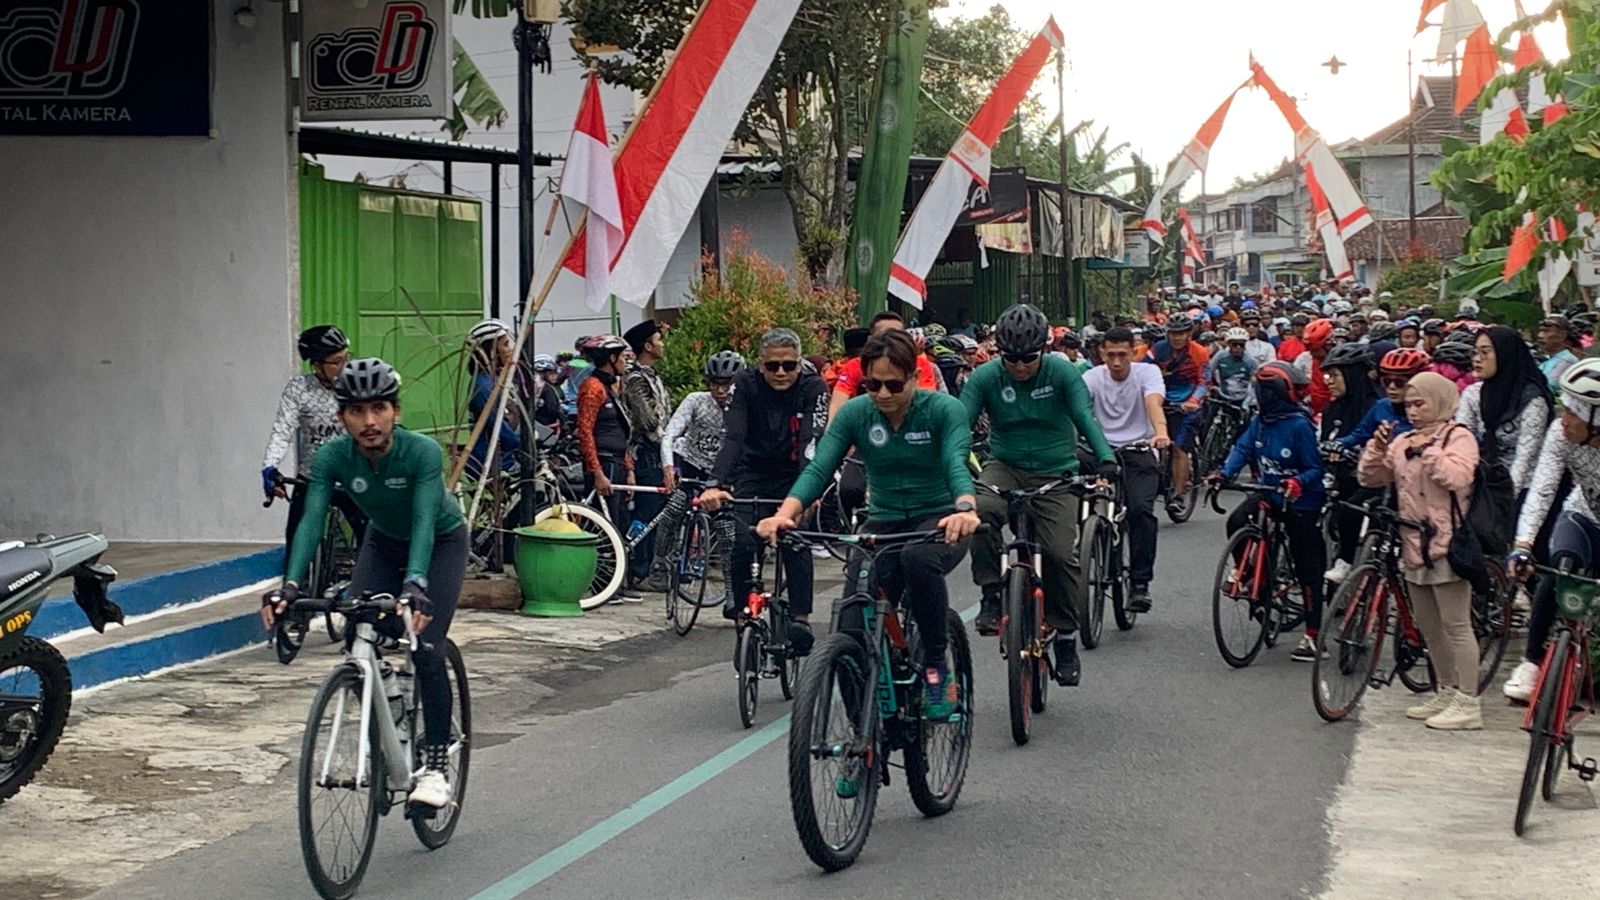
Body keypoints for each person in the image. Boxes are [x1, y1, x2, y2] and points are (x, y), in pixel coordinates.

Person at [262, 358, 468, 807]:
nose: (369, 421)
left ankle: (434, 767)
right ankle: (389, 695)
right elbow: (313, 517)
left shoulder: (421, 453)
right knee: (360, 628)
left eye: (378, 408)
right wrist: (290, 585)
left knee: (427, 645)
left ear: (395, 411)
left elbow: (423, 519)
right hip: (382, 542)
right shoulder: (335, 456)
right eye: (356, 411)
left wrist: (415, 583)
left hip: (439, 542)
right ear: (342, 418)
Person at [757, 329, 979, 721]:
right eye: (872, 384)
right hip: (885, 520)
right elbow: (821, 466)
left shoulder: (944, 410)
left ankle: (935, 665)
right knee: (852, 618)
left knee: (916, 559)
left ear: (914, 377)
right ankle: (862, 746)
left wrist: (964, 508)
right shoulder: (858, 414)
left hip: (940, 519)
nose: (882, 394)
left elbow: (955, 462)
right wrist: (785, 513)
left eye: (894, 384)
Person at [962, 304, 1117, 685]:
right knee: (977, 516)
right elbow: (958, 424)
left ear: (1044, 350)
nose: (1019, 367)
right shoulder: (984, 377)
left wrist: (1106, 458)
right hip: (1005, 466)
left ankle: (1065, 637)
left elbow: (1085, 417)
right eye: (1011, 358)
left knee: (1063, 553)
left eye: (1028, 358)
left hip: (1055, 471)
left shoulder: (1063, 371)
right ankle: (991, 594)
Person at [1358, 372, 1483, 729]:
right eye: (1408, 405)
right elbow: (1371, 478)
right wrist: (1378, 448)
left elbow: (1458, 479)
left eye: (1419, 403)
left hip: (1447, 545)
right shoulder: (1403, 441)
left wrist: (1429, 451)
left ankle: (1468, 700)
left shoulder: (1459, 437)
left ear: (1441, 401)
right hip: (1411, 542)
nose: (1412, 411)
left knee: (1456, 624)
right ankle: (1446, 689)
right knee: (1429, 625)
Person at [701, 329, 829, 643]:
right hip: (752, 472)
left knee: (794, 540)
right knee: (743, 541)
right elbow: (732, 439)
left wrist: (808, 493)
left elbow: (811, 443)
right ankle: (743, 617)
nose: (781, 372)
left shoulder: (813, 388)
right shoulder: (744, 385)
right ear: (760, 364)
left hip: (795, 475)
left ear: (799, 364)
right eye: (773, 366)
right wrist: (713, 484)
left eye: (789, 365)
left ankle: (800, 618)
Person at [1207, 362, 1327, 662]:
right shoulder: (1260, 421)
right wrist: (1223, 474)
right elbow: (1242, 449)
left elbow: (1315, 468)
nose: (1258, 396)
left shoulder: (1300, 426)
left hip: (1301, 502)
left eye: (1262, 391)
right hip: (1269, 495)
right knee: (1236, 520)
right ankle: (1250, 578)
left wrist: (1297, 482)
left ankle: (1312, 636)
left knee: (1307, 567)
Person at [1505, 359, 1600, 701]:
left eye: (1573, 411)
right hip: (1583, 514)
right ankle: (1531, 662)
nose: (1563, 418)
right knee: (1558, 567)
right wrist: (1523, 543)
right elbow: (1542, 490)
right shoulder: (1560, 434)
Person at [1082, 326, 1170, 614]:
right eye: (1110, 355)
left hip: (1139, 451)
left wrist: (1160, 432)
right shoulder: (1090, 378)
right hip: (1101, 452)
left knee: (1140, 511)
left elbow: (1153, 402)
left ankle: (1140, 583)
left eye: (1123, 355)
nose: (1117, 362)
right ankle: (1082, 548)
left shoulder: (1148, 373)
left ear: (1134, 352)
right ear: (1101, 354)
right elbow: (1078, 412)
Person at [262, 325, 366, 551]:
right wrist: (270, 467)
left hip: (353, 475)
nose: (345, 365)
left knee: (373, 542)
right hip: (312, 477)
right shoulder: (299, 389)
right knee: (296, 543)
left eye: (346, 358)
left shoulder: (358, 383)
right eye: (336, 362)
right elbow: (283, 429)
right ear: (317, 365)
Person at [648, 351, 745, 590]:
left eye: (727, 385)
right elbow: (669, 435)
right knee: (673, 510)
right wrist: (668, 466)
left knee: (727, 535)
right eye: (715, 384)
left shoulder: (744, 407)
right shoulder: (696, 400)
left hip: (722, 476)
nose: (721, 391)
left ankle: (733, 592)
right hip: (691, 466)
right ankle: (659, 563)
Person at [1455, 324, 1553, 495]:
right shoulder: (1473, 394)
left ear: (1505, 355)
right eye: (1475, 352)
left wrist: (1503, 502)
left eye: (1485, 352)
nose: (1477, 359)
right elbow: (1462, 440)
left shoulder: (1532, 400)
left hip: (1524, 487)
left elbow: (1525, 459)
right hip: (1482, 479)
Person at [575, 335, 637, 596]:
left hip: (618, 463)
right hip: (604, 465)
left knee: (620, 525)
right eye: (622, 357)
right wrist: (597, 472)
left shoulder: (612, 386)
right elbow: (585, 431)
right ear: (610, 359)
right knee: (605, 527)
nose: (625, 362)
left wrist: (630, 469)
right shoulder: (592, 387)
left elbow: (622, 432)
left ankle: (617, 583)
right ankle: (603, 586)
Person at [1320, 341, 1380, 583]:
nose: (1329, 381)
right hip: (1335, 476)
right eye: (1328, 375)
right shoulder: (1332, 409)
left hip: (1368, 481)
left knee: (1349, 514)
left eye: (1335, 375)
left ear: (1353, 375)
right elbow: (1324, 441)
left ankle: (1348, 562)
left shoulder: (1375, 408)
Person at [622, 320, 673, 588]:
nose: (662, 344)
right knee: (646, 512)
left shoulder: (653, 376)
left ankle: (650, 568)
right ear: (647, 346)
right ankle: (637, 570)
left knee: (660, 514)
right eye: (658, 339)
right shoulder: (635, 379)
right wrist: (667, 444)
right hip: (647, 454)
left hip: (661, 452)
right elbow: (647, 421)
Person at [829, 309, 945, 418]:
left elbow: (926, 405)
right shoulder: (854, 366)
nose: (890, 340)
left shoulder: (920, 364)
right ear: (870, 339)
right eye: (873, 384)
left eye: (897, 335)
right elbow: (837, 405)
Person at [1144, 314, 1211, 500]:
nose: (1177, 337)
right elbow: (1142, 370)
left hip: (1187, 405)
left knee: (1179, 448)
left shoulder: (1199, 352)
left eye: (1181, 333)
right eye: (1173, 333)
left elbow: (1204, 382)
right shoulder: (1158, 350)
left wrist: (1193, 402)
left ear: (1189, 333)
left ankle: (1178, 494)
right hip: (1161, 400)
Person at [464, 319, 524, 481]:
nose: (510, 349)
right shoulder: (483, 386)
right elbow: (497, 425)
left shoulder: (496, 380)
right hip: (490, 464)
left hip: (502, 459)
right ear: (491, 349)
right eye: (505, 344)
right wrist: (522, 443)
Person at [1293, 318, 1336, 415]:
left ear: (1328, 345)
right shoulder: (1305, 358)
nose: (1312, 354)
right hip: (1313, 409)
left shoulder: (1341, 360)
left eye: (1315, 350)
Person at [1205, 327, 1259, 405]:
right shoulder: (1220, 356)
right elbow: (1208, 372)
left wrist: (1248, 401)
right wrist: (1207, 388)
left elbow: (1255, 383)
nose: (1238, 348)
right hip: (1223, 396)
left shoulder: (1250, 361)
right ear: (1229, 344)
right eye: (1234, 344)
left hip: (1243, 399)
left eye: (1241, 345)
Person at [1538, 314, 1582, 387]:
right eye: (1540, 331)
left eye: (1547, 331)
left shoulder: (1567, 360)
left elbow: (1548, 386)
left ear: (1563, 335)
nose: (1540, 336)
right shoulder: (1548, 360)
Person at [532, 354, 564, 428]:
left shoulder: (535, 386)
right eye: (551, 373)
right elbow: (553, 409)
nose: (554, 376)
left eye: (555, 373)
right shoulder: (547, 389)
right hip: (546, 426)